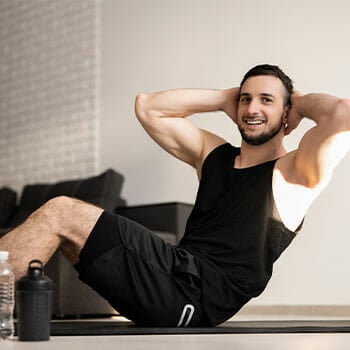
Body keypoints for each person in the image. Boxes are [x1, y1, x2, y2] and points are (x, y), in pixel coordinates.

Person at [0, 64, 349, 327]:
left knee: (61, 211)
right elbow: (147, 106)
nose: (251, 109)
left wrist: (299, 102)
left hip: (197, 295)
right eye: (246, 99)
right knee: (67, 232)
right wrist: (223, 99)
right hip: (173, 273)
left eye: (266, 100)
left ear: (286, 112)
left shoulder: (293, 173)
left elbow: (343, 113)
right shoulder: (215, 156)